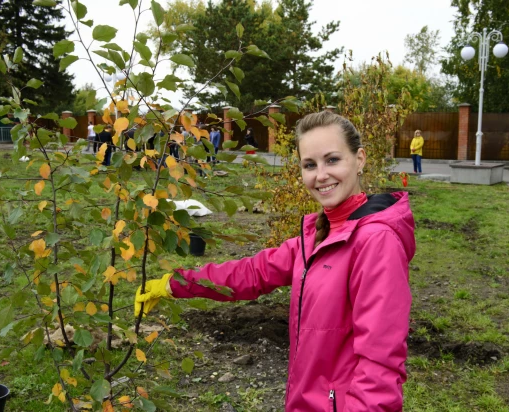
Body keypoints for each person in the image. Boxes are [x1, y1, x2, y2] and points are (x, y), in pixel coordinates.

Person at [135, 111, 415, 411]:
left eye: (332, 160)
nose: (320, 175)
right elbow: (251, 273)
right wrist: (175, 283)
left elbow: (379, 366)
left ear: (359, 160)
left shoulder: (375, 242)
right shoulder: (320, 236)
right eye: (310, 165)